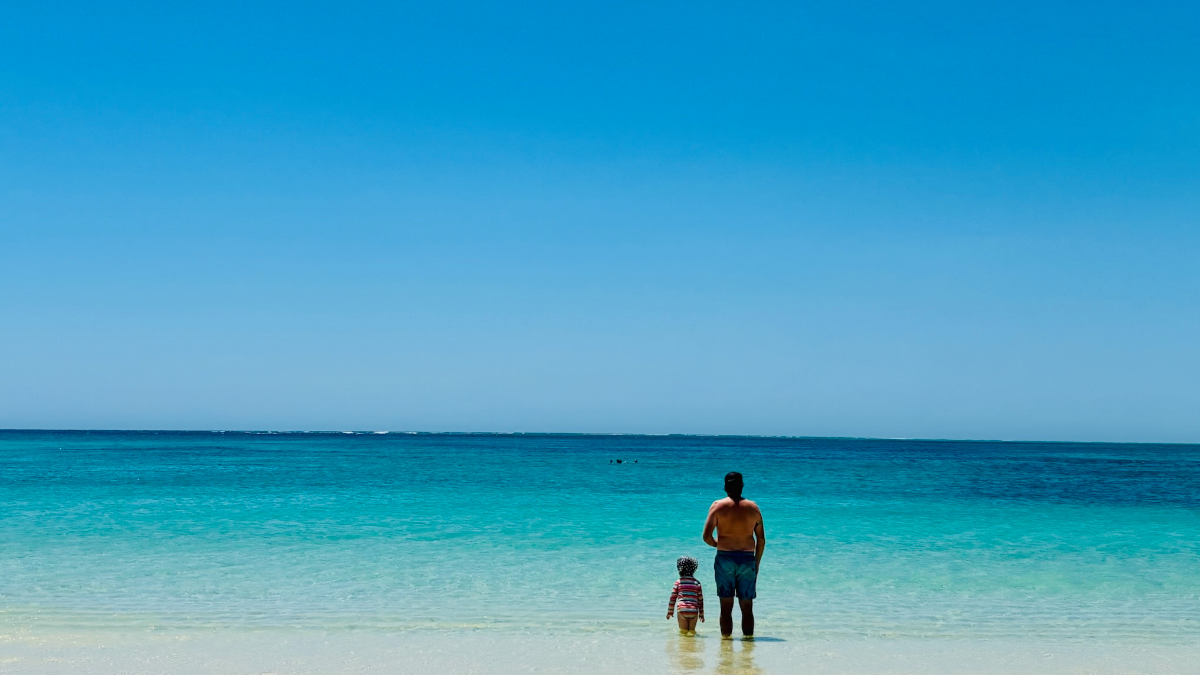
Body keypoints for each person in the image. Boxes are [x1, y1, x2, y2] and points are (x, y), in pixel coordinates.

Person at [702, 471, 765, 639]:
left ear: (725, 487)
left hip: (725, 559)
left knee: (725, 607)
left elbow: (706, 537)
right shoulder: (753, 508)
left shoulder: (717, 506)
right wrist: (756, 563)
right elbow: (761, 539)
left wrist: (719, 544)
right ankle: (748, 644)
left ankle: (726, 644)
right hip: (747, 559)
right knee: (747, 607)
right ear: (742, 486)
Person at [666, 556, 705, 635]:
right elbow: (700, 600)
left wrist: (670, 611)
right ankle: (692, 643)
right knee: (692, 632)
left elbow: (673, 598)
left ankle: (685, 643)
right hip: (694, 610)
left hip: (682, 610)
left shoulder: (678, 582)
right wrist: (701, 614)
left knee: (683, 633)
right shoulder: (697, 583)